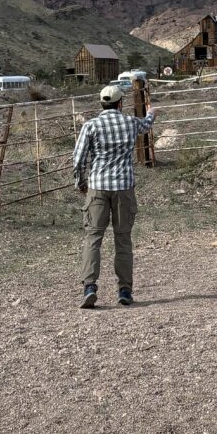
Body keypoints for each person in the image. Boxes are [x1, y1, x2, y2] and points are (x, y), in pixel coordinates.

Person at [72, 84, 156, 308]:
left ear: (102, 103)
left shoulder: (91, 125)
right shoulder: (129, 123)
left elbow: (78, 159)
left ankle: (89, 287)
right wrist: (151, 112)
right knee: (123, 239)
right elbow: (146, 127)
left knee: (93, 238)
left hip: (98, 187)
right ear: (120, 103)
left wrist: (81, 183)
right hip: (123, 188)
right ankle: (125, 291)